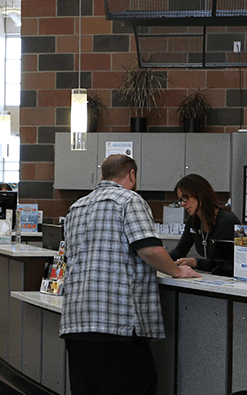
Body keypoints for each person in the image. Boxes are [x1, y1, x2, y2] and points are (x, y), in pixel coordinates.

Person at [60, 154, 200, 395]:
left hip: (76, 322)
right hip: (116, 323)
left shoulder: (76, 207)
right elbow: (150, 250)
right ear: (132, 175)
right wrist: (178, 271)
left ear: (102, 176)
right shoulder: (129, 201)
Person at [169, 174, 241, 277]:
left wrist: (196, 262)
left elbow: (226, 264)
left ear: (200, 195)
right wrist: (160, 261)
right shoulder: (193, 221)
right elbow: (180, 251)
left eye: (185, 198)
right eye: (181, 200)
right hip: (212, 279)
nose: (183, 204)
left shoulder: (227, 221)